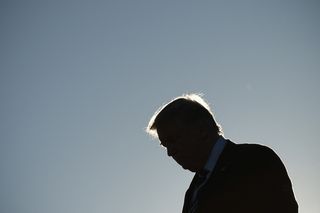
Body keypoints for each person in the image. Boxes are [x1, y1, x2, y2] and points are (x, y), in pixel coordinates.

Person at [146, 94, 298, 213]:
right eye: (165, 145)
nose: (170, 152)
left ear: (202, 131)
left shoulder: (255, 160)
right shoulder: (192, 192)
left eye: (173, 140)